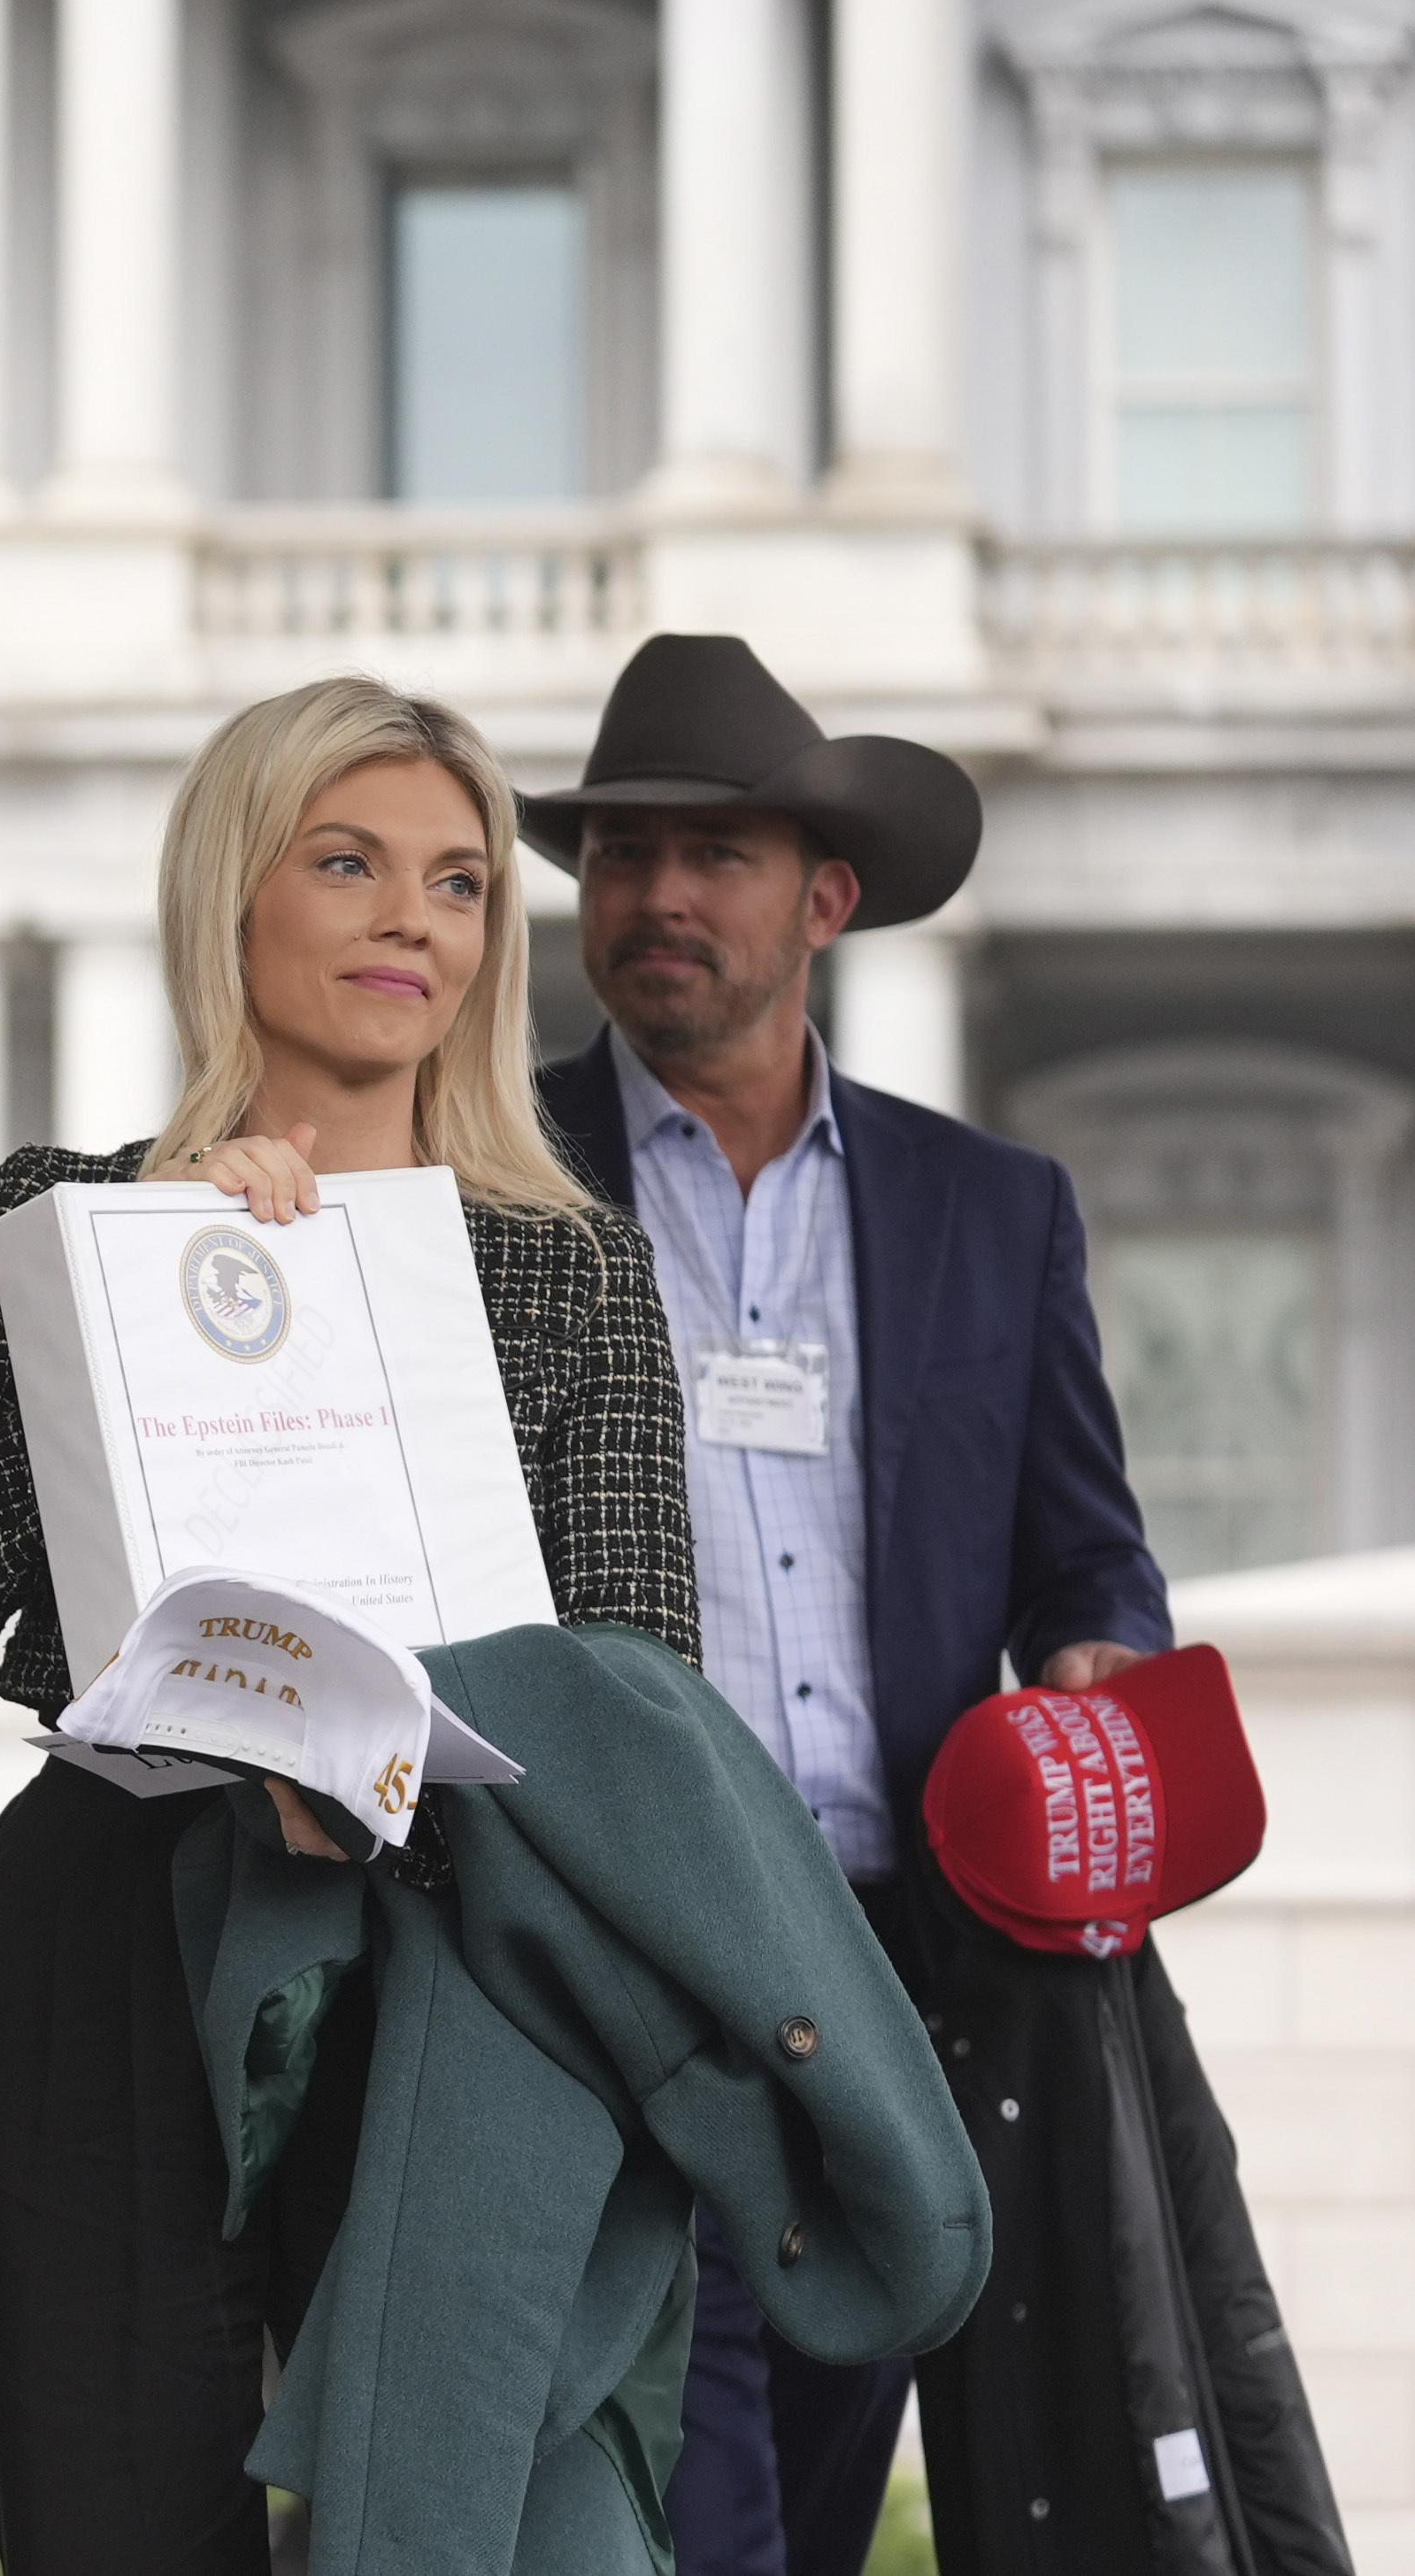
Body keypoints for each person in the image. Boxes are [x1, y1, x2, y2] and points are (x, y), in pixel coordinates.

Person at [0, 674, 702, 2572]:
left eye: (460, 881)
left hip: (467, 1959)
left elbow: (644, 1695)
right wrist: (140, 1284)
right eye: (350, 862)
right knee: (109, 2524)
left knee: (469, 2525)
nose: (416, 915)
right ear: (233, 894)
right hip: (113, 1938)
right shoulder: (69, 1213)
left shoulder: (568, 1265)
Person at [519, 632, 1170, 2576]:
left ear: (825, 897)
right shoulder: (491, 1180)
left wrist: (1092, 1672)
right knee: (687, 2490)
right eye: (621, 852)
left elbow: (1087, 1550)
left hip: (906, 1967)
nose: (656, 897)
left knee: (814, 2484)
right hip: (612, 1952)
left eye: (713, 853)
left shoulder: (993, 1206)